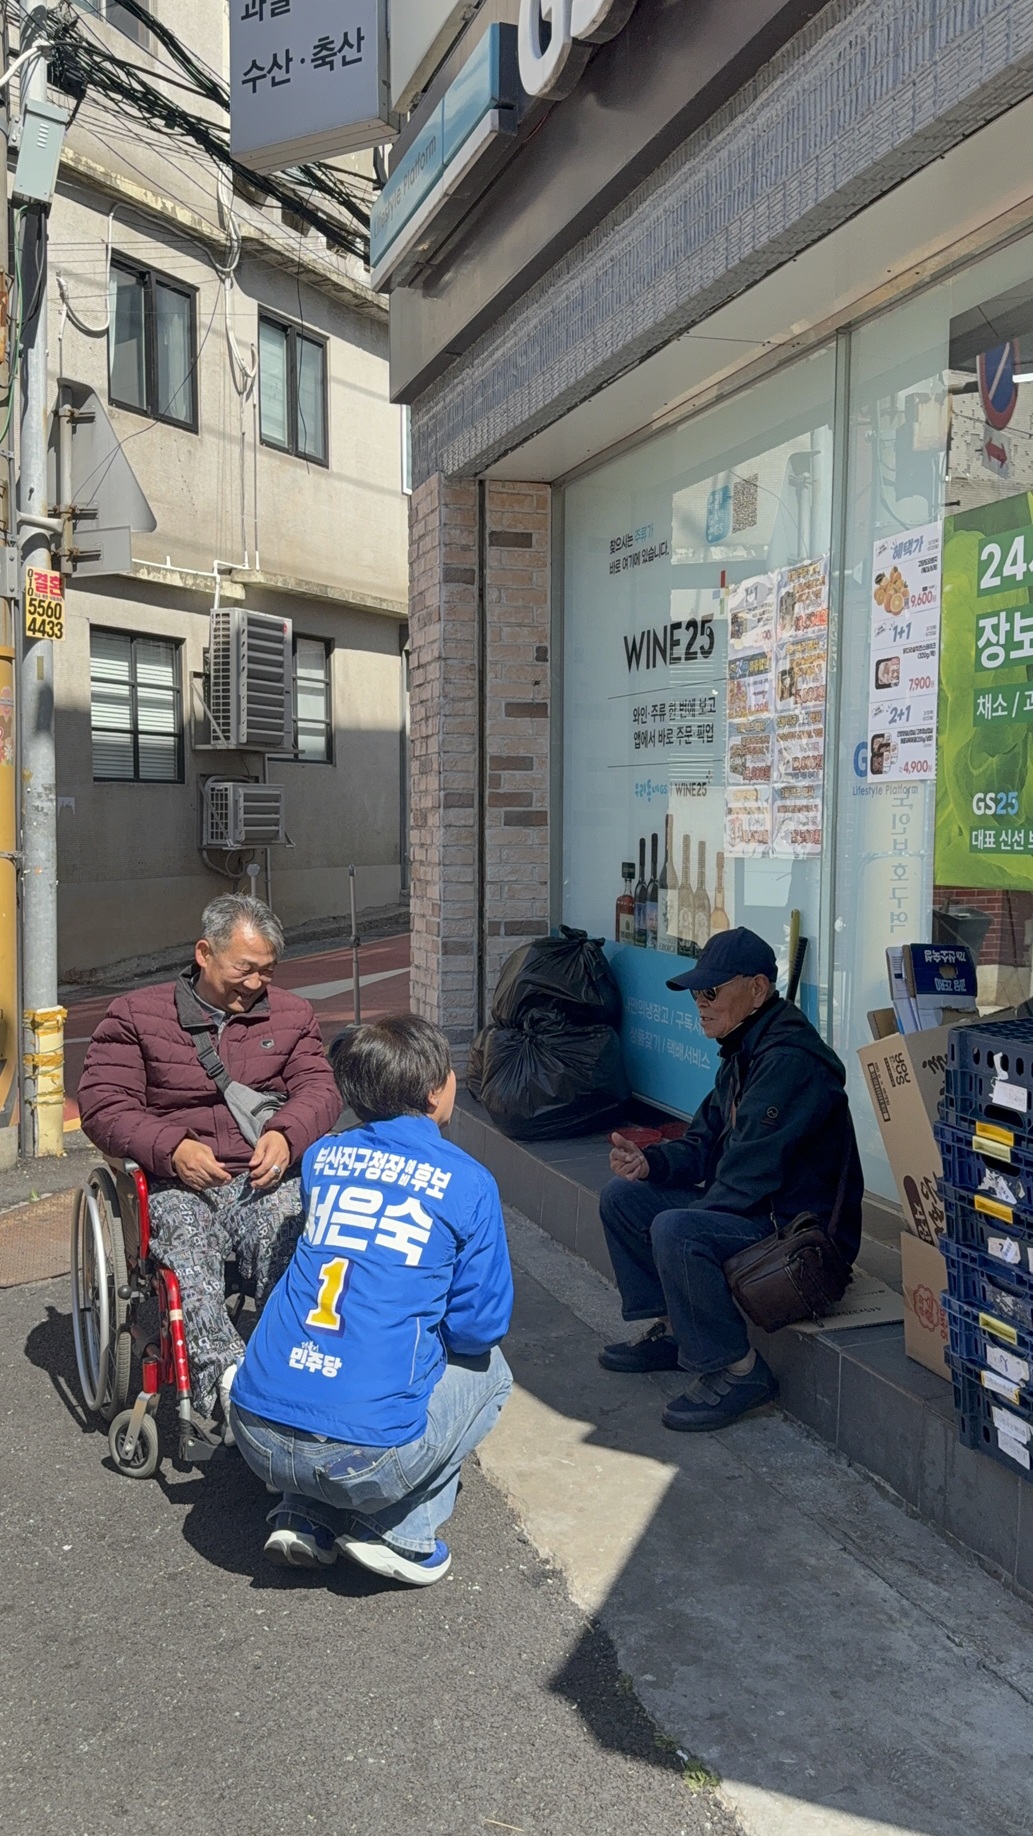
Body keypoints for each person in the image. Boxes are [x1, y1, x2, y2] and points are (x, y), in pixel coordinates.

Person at [229, 1013, 514, 1589]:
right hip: (368, 1461)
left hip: (256, 1432)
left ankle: (302, 1514)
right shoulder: (469, 1181)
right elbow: (479, 1326)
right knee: (492, 1371)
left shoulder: (322, 1158)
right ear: (435, 1092)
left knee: (330, 1376)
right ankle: (400, 1532)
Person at [77, 894, 340, 1430]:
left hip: (261, 1178)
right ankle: (226, 1381)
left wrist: (286, 1135)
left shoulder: (292, 1015)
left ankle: (283, 1366)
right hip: (176, 1182)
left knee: (294, 1242)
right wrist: (171, 1147)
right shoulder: (136, 1015)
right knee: (186, 1247)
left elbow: (320, 1090)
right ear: (204, 953)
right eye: (245, 968)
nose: (256, 983)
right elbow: (103, 1105)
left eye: (267, 970)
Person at [598, 926, 863, 1433]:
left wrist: (683, 1224)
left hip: (801, 1236)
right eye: (697, 993)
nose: (700, 1003)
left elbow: (748, 1176)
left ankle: (740, 1371)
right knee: (624, 1196)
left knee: (677, 1229)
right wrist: (650, 1164)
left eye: (712, 991)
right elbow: (702, 1143)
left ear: (758, 989)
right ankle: (677, 1331)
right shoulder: (745, 1050)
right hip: (762, 1212)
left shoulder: (788, 1060)